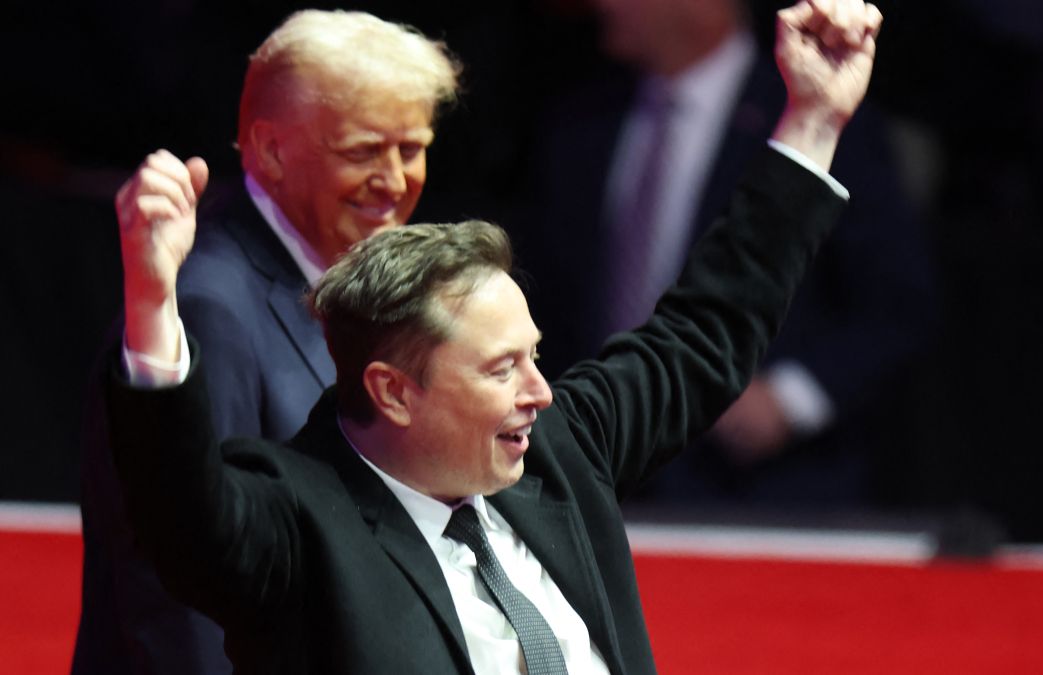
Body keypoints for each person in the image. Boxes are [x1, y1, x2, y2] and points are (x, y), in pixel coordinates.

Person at [106, 1, 881, 672]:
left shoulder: (558, 446)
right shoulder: (305, 523)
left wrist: (812, 120)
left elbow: (703, 329)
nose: (540, 390)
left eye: (534, 356)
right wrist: (150, 297)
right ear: (395, 391)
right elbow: (182, 517)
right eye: (502, 367)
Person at [72, 10, 459, 674]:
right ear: (273, 150)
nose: (396, 181)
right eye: (364, 150)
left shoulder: (357, 281)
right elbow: (182, 591)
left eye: (411, 147)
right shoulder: (206, 307)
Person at [521, 0, 932, 507]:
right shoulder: (580, 123)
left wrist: (790, 399)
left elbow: (897, 302)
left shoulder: (820, 114)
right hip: (595, 475)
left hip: (758, 492)